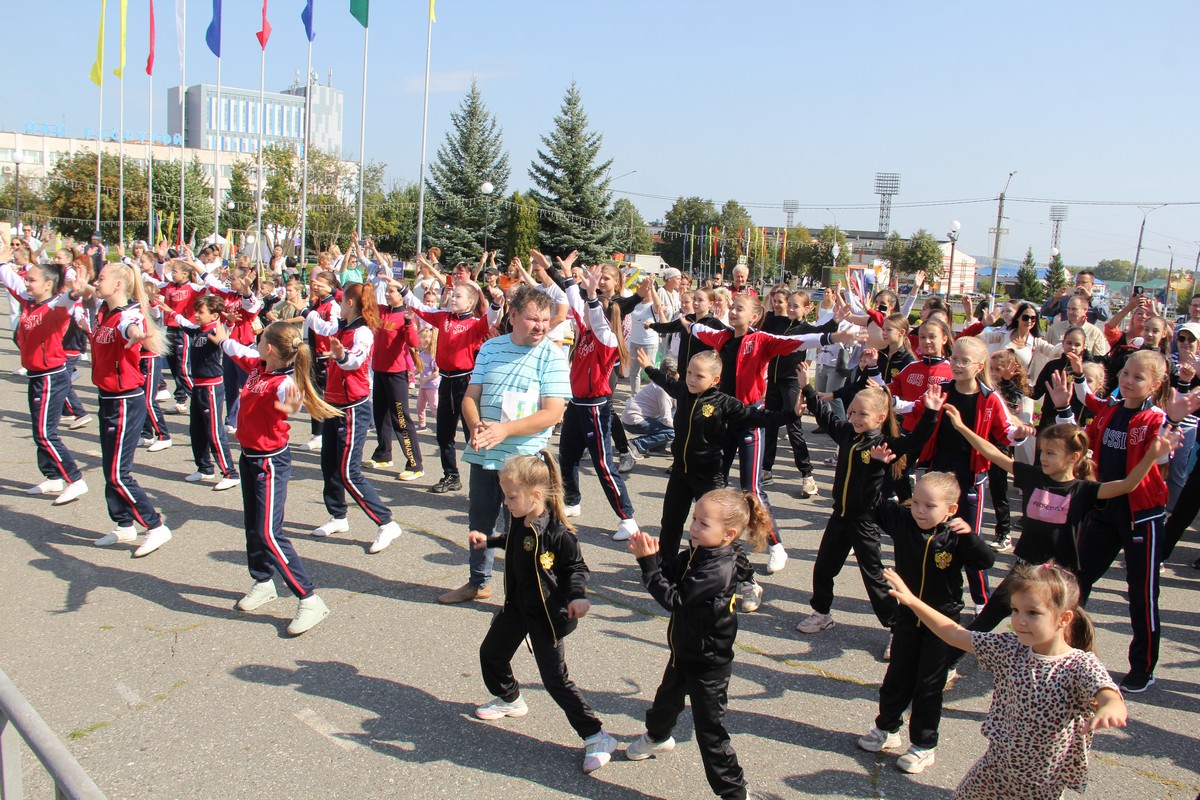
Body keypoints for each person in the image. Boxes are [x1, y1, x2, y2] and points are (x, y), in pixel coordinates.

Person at [885, 563, 1127, 800]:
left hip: (1042, 787)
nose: (1019, 620)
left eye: (1033, 613)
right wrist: (912, 601)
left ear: (1064, 618)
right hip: (994, 770)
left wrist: (1110, 708)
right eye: (1015, 610)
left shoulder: (1079, 664)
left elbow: (1107, 693)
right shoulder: (1010, 647)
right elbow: (954, 634)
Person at [471, 452, 620, 774]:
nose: (505, 502)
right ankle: (510, 699)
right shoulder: (520, 518)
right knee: (491, 655)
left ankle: (596, 735)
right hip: (517, 609)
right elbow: (516, 541)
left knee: (556, 681)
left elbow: (577, 567)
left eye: (510, 496)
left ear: (536, 496)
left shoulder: (558, 533)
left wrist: (577, 597)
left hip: (548, 618)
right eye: (504, 495)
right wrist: (491, 541)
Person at [625, 489, 772, 799]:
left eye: (703, 524)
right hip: (685, 652)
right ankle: (657, 737)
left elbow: (675, 600)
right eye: (694, 519)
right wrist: (651, 558)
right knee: (666, 702)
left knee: (711, 734)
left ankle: (734, 792)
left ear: (729, 533)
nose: (693, 528)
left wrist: (648, 568)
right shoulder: (699, 549)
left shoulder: (718, 568)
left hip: (709, 664)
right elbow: (671, 573)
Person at [1070, 349, 1200, 692]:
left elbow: (1161, 459)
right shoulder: (1111, 410)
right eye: (1126, 373)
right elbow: (1087, 440)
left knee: (1142, 592)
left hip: (1141, 515)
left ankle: (1143, 666)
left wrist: (1171, 422)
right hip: (1104, 511)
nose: (1128, 381)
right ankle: (1067, 648)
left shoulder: (1156, 418)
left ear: (1154, 384)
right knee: (1076, 580)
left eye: (1138, 378)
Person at [855, 472, 994, 776]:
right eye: (916, 502)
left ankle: (923, 746)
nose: (919, 510)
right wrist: (877, 468)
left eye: (929, 506)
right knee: (896, 676)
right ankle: (887, 729)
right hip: (907, 617)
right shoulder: (904, 521)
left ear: (951, 510)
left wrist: (970, 535)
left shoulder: (954, 537)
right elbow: (869, 502)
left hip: (942, 622)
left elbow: (986, 560)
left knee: (929, 686)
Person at [438, 287, 570, 605]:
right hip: (485, 451)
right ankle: (479, 582)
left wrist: (504, 430)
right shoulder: (491, 348)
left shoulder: (552, 355)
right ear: (513, 317)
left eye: (544, 319)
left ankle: (525, 594)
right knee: (480, 520)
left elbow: (553, 412)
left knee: (526, 528)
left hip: (523, 460)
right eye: (532, 319)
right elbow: (471, 396)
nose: (540, 326)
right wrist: (476, 426)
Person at [793, 364, 941, 640]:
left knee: (873, 576)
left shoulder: (884, 445)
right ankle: (821, 613)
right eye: (852, 412)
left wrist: (931, 413)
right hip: (841, 516)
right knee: (824, 567)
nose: (855, 418)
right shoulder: (848, 434)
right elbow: (825, 417)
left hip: (865, 521)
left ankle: (897, 627)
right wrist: (807, 386)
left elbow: (918, 439)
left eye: (863, 414)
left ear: (881, 417)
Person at [213, 321, 339, 635]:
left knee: (270, 532)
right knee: (253, 526)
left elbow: (293, 400)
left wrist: (291, 405)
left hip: (269, 463)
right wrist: (220, 338)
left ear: (269, 347)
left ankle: (309, 598)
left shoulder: (283, 382)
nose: (256, 342)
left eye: (261, 338)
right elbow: (236, 350)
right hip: (249, 458)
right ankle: (263, 581)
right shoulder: (259, 367)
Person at [76, 262, 173, 556]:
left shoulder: (128, 315)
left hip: (124, 400)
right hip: (107, 396)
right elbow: (104, 340)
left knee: (119, 472)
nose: (97, 281)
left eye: (102, 278)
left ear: (118, 284)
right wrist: (86, 325)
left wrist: (135, 334)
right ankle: (123, 524)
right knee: (110, 467)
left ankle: (156, 526)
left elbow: (130, 328)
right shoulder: (104, 312)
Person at [303, 283, 404, 554]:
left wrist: (341, 356)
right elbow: (318, 326)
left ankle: (386, 522)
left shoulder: (362, 332)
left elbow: (355, 361)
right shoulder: (341, 326)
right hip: (334, 404)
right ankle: (338, 517)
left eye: (340, 300)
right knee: (328, 465)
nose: (337, 305)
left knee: (349, 472)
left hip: (353, 408)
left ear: (349, 302)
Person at [404, 259, 502, 494]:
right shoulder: (443, 318)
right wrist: (402, 290)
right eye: (452, 295)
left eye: (458, 296)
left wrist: (497, 304)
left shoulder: (475, 324)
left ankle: (482, 481)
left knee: (472, 434)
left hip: (466, 382)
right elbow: (421, 308)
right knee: (444, 432)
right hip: (445, 381)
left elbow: (492, 320)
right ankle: (451, 476)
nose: (453, 298)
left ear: (470, 301)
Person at [0, 251, 90, 505]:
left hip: (52, 375)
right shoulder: (28, 301)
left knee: (45, 433)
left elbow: (68, 299)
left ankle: (75, 479)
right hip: (36, 374)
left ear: (48, 284)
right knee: (38, 430)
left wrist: (76, 291)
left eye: (32, 280)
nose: (27, 283)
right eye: (27, 280)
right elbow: (8, 277)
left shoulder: (55, 306)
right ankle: (52, 476)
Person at [558, 262, 640, 541]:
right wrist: (569, 277)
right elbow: (577, 305)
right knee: (566, 458)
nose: (586, 312)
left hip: (596, 408)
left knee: (604, 465)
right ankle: (571, 501)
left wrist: (592, 296)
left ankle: (628, 519)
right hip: (576, 404)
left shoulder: (607, 338)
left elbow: (591, 311)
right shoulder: (587, 332)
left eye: (592, 310)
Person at [161, 295, 240, 491]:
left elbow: (226, 328)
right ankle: (204, 467)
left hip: (211, 387)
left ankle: (230, 472)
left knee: (214, 431)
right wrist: (170, 311)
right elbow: (184, 324)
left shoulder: (215, 330)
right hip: (198, 386)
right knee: (196, 428)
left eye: (201, 312)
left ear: (214, 315)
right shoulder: (198, 330)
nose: (196, 315)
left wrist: (227, 319)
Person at [368, 278, 423, 480]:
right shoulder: (381, 310)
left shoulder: (406, 315)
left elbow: (414, 342)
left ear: (402, 294)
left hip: (396, 373)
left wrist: (408, 322)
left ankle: (415, 464)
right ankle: (383, 453)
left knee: (401, 418)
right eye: (387, 290)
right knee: (380, 415)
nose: (388, 293)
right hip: (379, 370)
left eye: (392, 291)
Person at [621, 356, 676, 456]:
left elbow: (676, 407)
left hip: (633, 417)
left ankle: (656, 448)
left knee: (676, 413)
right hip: (634, 421)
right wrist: (683, 428)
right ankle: (636, 444)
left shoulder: (660, 383)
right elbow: (666, 419)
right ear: (670, 373)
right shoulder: (663, 390)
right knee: (674, 431)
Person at [1044, 294, 1111, 358]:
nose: (1070, 312)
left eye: (1074, 309)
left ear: (1085, 310)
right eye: (1068, 309)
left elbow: (1098, 361)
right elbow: (1043, 354)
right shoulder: (1055, 329)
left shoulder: (1095, 333)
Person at [1041, 269, 1111, 324]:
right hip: (1067, 334)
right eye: (1077, 282)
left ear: (1092, 284)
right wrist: (1055, 299)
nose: (1080, 285)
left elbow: (1105, 317)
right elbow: (1045, 312)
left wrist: (1090, 298)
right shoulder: (1067, 298)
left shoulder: (1097, 300)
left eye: (1083, 282)